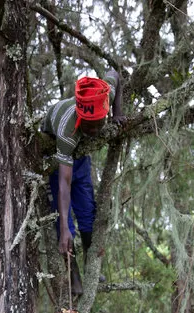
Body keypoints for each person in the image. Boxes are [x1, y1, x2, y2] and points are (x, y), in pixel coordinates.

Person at [42, 71, 124, 295]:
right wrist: (65, 229)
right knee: (64, 220)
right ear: (80, 120)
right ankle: (74, 276)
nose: (95, 132)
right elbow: (64, 184)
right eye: (89, 128)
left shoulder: (104, 95)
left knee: (88, 211)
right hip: (56, 158)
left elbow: (115, 75)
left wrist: (118, 113)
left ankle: (91, 268)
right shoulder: (67, 132)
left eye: (99, 126)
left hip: (79, 158)